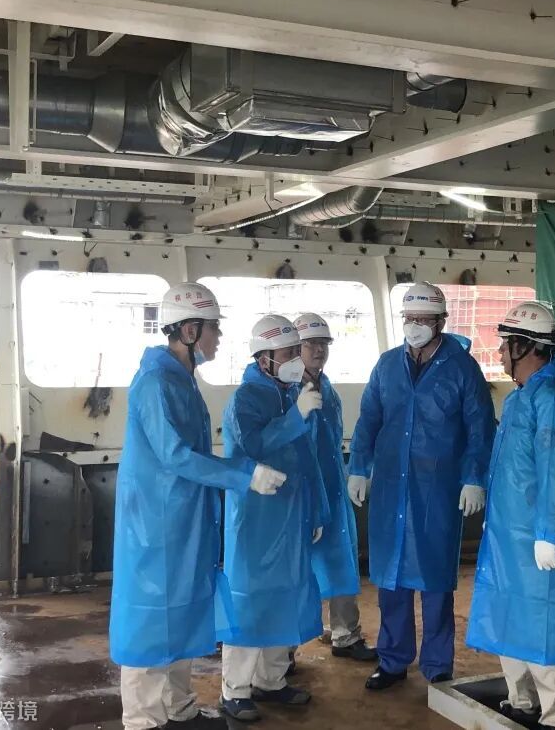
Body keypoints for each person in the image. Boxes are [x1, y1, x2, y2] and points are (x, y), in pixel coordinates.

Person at [110, 283, 287, 730]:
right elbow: (175, 455)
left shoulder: (180, 378)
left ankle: (180, 709)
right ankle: (145, 720)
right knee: (152, 621)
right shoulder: (155, 383)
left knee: (185, 613)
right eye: (213, 329)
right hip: (155, 523)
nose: (218, 337)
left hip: (183, 517)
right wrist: (245, 475)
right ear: (190, 331)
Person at [348, 281, 496, 689]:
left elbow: (480, 428)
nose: (414, 326)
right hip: (390, 486)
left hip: (438, 489)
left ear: (441, 322)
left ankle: (437, 664)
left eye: (423, 319)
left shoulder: (463, 368)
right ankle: (392, 660)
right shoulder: (386, 365)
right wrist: (358, 466)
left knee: (435, 580)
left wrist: (473, 478)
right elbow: (369, 419)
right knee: (390, 581)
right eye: (409, 318)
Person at [466, 302, 555, 730]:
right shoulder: (523, 397)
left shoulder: (554, 399)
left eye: (506, 344)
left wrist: (546, 533)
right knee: (511, 619)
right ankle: (521, 701)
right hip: (510, 536)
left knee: (543, 625)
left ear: (527, 347)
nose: (501, 352)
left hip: (538, 539)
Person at [218, 314, 329, 722]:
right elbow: (253, 447)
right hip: (256, 519)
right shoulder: (245, 399)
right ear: (264, 358)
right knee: (249, 601)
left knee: (287, 595)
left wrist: (317, 509)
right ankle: (235, 689)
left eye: (296, 351)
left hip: (292, 515)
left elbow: (308, 458)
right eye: (287, 353)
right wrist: (296, 416)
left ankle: (272, 679)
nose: (296, 360)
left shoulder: (293, 394)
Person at [292, 312, 376, 662]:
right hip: (301, 494)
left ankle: (346, 634)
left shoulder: (329, 391)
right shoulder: (287, 393)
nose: (318, 350)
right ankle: (285, 650)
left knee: (342, 563)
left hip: (333, 489)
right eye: (310, 344)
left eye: (323, 344)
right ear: (295, 348)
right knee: (298, 573)